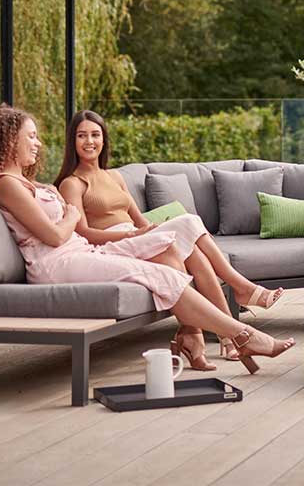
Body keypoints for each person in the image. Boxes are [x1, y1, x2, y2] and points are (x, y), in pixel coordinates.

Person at [0, 104, 294, 374]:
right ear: (8, 141)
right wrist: (72, 215)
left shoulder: (28, 183)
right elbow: (53, 235)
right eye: (30, 137)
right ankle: (243, 335)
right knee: (163, 273)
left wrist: (75, 216)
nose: (37, 143)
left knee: (184, 227)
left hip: (86, 252)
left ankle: (232, 299)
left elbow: (68, 228)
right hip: (57, 264)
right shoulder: (6, 184)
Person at [54, 110, 283, 369]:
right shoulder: (72, 183)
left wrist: (150, 230)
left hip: (135, 236)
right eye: (82, 135)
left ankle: (222, 337)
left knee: (192, 253)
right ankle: (240, 291)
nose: (89, 141)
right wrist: (133, 234)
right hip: (111, 246)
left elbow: (138, 218)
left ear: (104, 139)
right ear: (72, 141)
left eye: (95, 135)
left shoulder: (114, 176)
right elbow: (83, 232)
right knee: (187, 221)